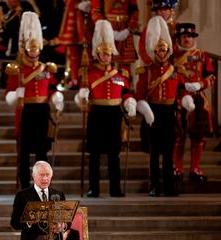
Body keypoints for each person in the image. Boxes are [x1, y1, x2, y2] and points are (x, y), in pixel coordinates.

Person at [74, 20, 137, 197]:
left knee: (113, 154)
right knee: (94, 155)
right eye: (103, 54)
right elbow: (83, 93)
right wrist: (82, 95)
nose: (106, 57)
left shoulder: (120, 74)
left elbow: (126, 92)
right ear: (97, 54)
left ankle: (115, 188)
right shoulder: (89, 73)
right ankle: (94, 188)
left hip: (114, 115)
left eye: (108, 54)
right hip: (97, 114)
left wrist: (129, 102)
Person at [135, 16, 195, 197]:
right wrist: (144, 109)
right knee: (155, 153)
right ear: (154, 52)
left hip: (169, 113)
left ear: (168, 52)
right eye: (158, 51)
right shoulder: (146, 71)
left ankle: (169, 186)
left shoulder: (175, 72)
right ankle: (154, 186)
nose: (161, 54)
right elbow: (139, 94)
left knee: (169, 152)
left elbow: (181, 90)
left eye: (164, 51)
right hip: (153, 113)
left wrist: (186, 99)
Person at [5, 12, 64, 190]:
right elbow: (9, 91)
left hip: (42, 111)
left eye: (36, 49)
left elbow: (52, 87)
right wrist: (16, 95)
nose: (33, 52)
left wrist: (57, 97)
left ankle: (42, 185)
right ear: (25, 50)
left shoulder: (45, 69)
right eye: (31, 49)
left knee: (41, 152)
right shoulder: (18, 69)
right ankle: (24, 186)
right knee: (23, 153)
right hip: (26, 111)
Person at [172, 23, 216, 182]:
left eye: (190, 37)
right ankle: (177, 168)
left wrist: (200, 84)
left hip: (198, 100)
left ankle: (194, 168)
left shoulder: (202, 55)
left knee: (198, 136)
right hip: (178, 99)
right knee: (177, 135)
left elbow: (211, 77)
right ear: (179, 38)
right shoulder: (172, 55)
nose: (187, 40)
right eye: (184, 37)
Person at [10, 160, 66, 240]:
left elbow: (67, 219)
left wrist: (63, 225)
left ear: (51, 176)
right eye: (42, 175)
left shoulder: (59, 194)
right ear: (34, 176)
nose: (45, 178)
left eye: (47, 175)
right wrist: (28, 222)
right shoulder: (21, 196)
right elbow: (14, 223)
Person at [91, 0, 139, 74]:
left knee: (126, 69)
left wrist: (129, 29)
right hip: (106, 31)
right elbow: (95, 12)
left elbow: (135, 10)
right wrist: (106, 29)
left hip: (125, 29)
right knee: (106, 64)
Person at [139, 0, 179, 66]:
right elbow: (142, 47)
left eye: (165, 9)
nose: (163, 12)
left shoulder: (177, 27)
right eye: (160, 10)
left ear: (171, 10)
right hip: (153, 65)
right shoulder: (149, 27)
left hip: (172, 65)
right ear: (157, 12)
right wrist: (150, 61)